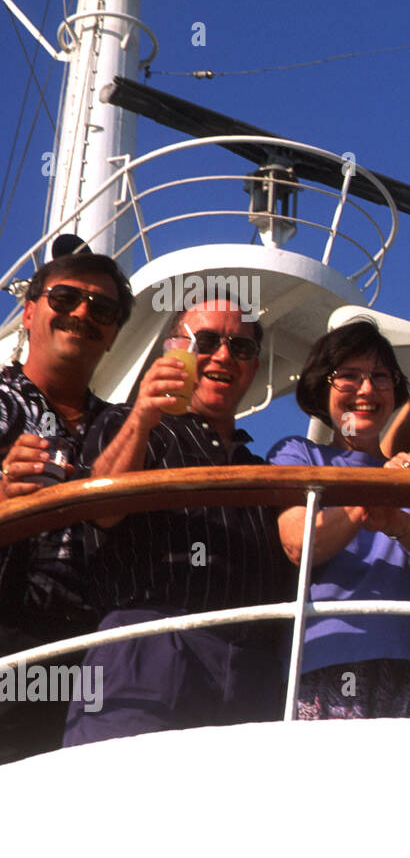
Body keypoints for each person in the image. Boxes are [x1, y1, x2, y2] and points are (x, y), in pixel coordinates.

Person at [63, 294, 294, 746]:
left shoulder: (263, 470)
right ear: (173, 349)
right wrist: (144, 417)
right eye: (206, 340)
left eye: (241, 347)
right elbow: (100, 511)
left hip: (255, 667)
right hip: (147, 645)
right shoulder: (125, 424)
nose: (224, 355)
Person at [266, 316, 410, 720]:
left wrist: (397, 519)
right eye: (349, 376)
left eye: (381, 377)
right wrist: (372, 495)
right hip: (325, 662)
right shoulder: (299, 455)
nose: (366, 389)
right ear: (320, 387)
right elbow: (299, 543)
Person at [0, 252, 134, 763]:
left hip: (97, 653)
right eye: (64, 298)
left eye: (102, 309)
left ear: (114, 333)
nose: (81, 313)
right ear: (30, 311)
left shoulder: (119, 426)